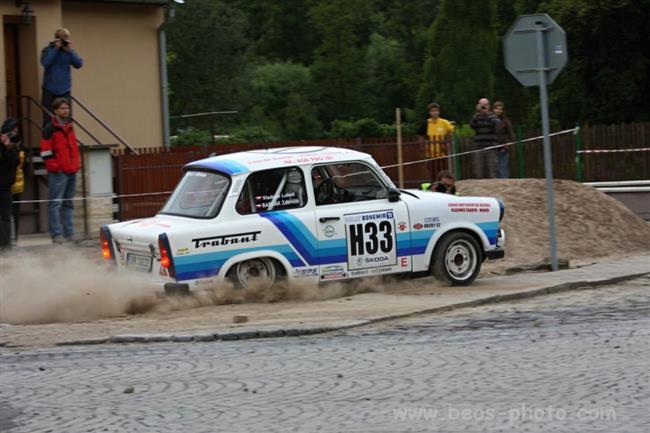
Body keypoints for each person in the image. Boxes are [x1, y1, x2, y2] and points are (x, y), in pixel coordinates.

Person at [41, 98, 80, 244]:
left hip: (71, 170)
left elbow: (73, 147)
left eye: (67, 108)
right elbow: (46, 151)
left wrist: (76, 164)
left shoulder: (70, 126)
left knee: (68, 203)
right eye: (63, 108)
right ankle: (56, 234)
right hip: (58, 172)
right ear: (56, 110)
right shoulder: (50, 128)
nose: (66, 110)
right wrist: (55, 167)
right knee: (55, 203)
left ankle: (69, 233)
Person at [41, 28, 83, 126]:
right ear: (56, 38)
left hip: (64, 90)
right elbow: (45, 63)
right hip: (49, 90)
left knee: (66, 118)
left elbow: (79, 64)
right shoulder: (47, 49)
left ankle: (66, 140)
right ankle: (49, 140)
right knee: (48, 119)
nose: (64, 40)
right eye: (62, 38)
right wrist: (56, 49)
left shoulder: (68, 51)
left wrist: (70, 51)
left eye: (66, 38)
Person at [3, 118, 25, 247]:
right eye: (13, 129)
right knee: (6, 216)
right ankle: (7, 241)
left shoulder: (18, 143)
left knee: (14, 214)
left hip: (16, 183)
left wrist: (11, 146)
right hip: (7, 183)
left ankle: (13, 240)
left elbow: (18, 161)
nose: (15, 132)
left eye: (16, 129)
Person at [0, 119, 20, 250]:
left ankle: (6, 246)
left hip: (6, 188)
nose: (12, 134)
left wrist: (8, 146)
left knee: (6, 218)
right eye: (10, 132)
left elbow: (15, 162)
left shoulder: (13, 146)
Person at [469, 98, 500, 178]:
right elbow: (472, 125)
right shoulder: (476, 116)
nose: (484, 107)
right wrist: (477, 113)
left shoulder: (492, 115)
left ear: (489, 106)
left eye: (485, 105)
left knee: (492, 171)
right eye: (482, 105)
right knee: (479, 172)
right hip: (479, 147)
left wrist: (487, 114)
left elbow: (497, 124)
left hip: (491, 147)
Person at [493, 101, 515, 179]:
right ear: (493, 109)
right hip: (492, 148)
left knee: (503, 170)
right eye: (497, 109)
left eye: (500, 109)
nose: (498, 111)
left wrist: (507, 144)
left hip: (503, 148)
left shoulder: (506, 121)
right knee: (494, 170)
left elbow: (511, 135)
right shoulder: (490, 120)